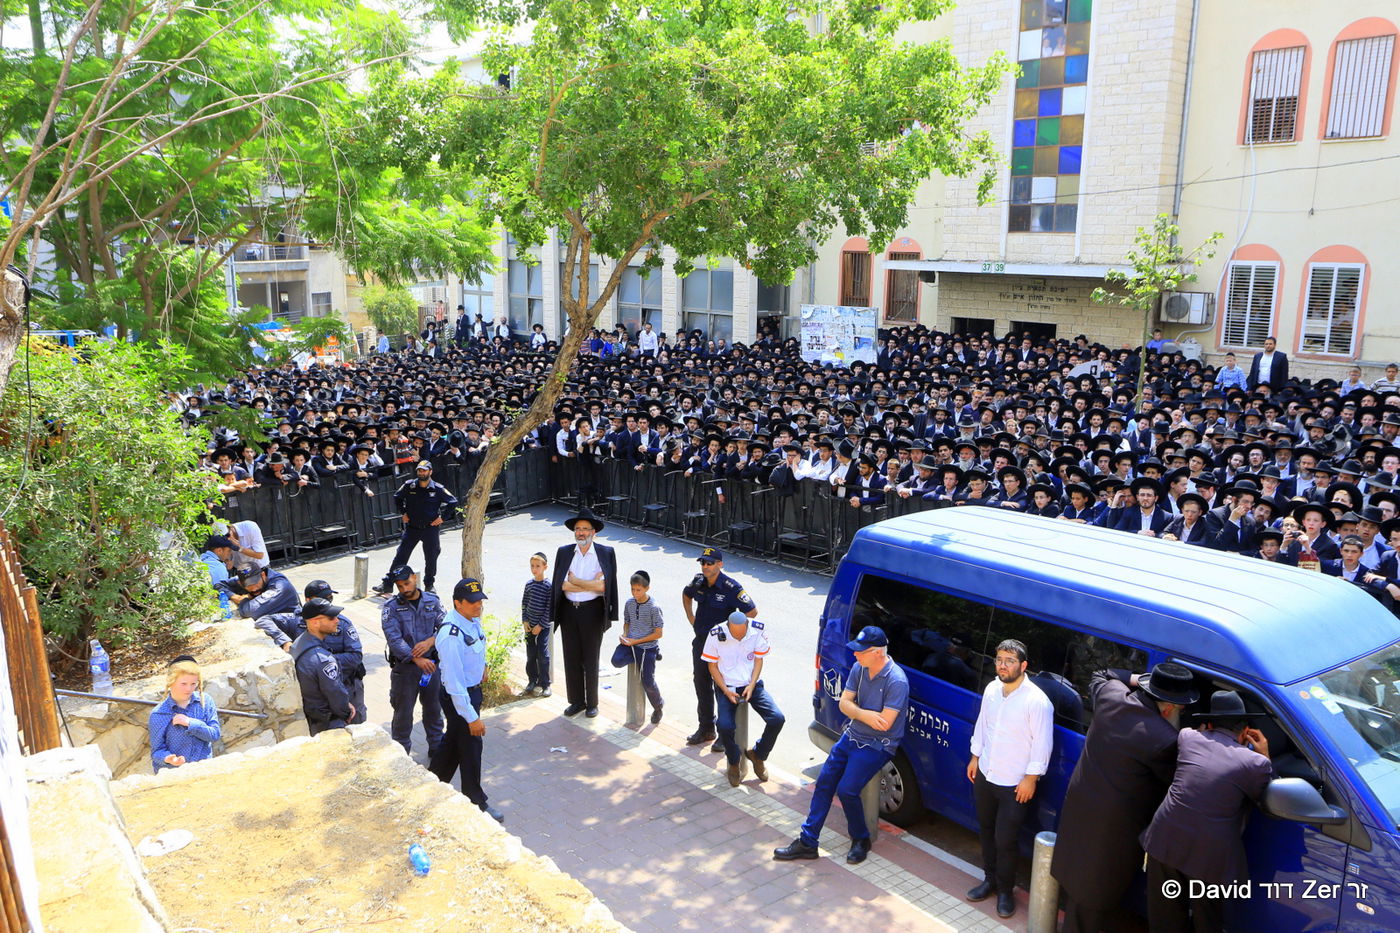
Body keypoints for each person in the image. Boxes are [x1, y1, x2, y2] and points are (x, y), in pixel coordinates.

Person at [1051, 664, 1197, 933]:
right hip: (1111, 834)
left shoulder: (1110, 697)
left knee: (1077, 890)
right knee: (1091, 903)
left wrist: (1137, 679)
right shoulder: (1165, 739)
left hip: (1079, 813)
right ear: (1169, 708)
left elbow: (1102, 673)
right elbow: (1178, 782)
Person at [774, 625, 908, 866]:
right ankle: (807, 841)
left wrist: (856, 711)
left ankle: (861, 839)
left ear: (877, 652)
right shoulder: (859, 668)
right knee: (824, 783)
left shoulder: (896, 681)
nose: (855, 654)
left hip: (878, 745)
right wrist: (865, 715)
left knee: (847, 790)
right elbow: (844, 705)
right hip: (853, 735)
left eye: (861, 650)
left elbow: (885, 724)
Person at [1141, 691, 1273, 933]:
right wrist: (1263, 753)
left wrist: (1205, 733)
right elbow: (1263, 793)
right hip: (1210, 858)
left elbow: (1196, 739)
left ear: (1209, 724)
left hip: (1165, 840)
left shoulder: (1188, 737)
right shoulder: (1256, 763)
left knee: (1165, 919)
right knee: (1207, 921)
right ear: (1245, 732)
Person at [966, 639, 1054, 919]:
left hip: (1015, 784)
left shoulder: (1037, 701)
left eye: (1010, 661)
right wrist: (975, 757)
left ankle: (1005, 891)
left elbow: (1042, 744)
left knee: (1006, 839)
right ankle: (989, 880)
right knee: (986, 830)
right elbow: (983, 725)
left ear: (1023, 665)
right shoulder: (992, 689)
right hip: (985, 774)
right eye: (999, 660)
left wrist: (1031, 778)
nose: (1003, 665)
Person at [429, 578, 505, 823]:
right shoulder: (451, 634)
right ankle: (476, 801)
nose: (477, 606)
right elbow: (453, 682)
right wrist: (471, 717)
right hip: (459, 698)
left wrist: (481, 668)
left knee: (453, 743)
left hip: (471, 691)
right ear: (457, 603)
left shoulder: (470, 622)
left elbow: (476, 648)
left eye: (479, 601)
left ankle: (430, 786)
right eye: (471, 602)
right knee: (472, 746)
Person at [253, 580, 366, 724]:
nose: (327, 602)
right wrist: (285, 641)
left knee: (357, 721)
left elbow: (355, 656)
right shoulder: (297, 620)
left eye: (329, 598)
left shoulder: (341, 623)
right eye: (320, 599)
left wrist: (324, 664)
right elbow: (263, 620)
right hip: (321, 700)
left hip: (346, 685)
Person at [681, 546, 757, 748]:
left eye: (710, 563)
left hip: (723, 648)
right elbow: (686, 594)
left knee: (723, 689)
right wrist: (691, 617)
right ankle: (706, 728)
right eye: (703, 563)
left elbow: (752, 612)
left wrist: (735, 634)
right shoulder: (698, 582)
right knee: (701, 684)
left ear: (720, 564)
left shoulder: (730, 587)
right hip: (701, 643)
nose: (705, 567)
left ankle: (725, 736)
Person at [550, 508, 619, 718]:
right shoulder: (564, 552)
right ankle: (576, 701)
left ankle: (592, 703)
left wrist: (577, 582)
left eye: (585, 529)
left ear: (594, 532)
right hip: (569, 611)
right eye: (578, 529)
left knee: (591, 658)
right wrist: (589, 584)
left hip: (592, 611)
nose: (581, 533)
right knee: (571, 657)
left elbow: (605, 588)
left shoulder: (605, 553)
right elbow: (560, 585)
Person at [702, 610, 783, 787]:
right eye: (733, 632)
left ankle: (758, 755)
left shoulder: (757, 630)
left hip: (751, 684)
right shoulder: (716, 633)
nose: (737, 636)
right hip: (727, 686)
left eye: (741, 633)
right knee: (724, 726)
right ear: (728, 626)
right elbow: (712, 666)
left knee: (777, 718)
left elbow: (759, 660)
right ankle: (733, 762)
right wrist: (725, 690)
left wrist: (752, 685)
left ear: (746, 625)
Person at [380, 565, 446, 756]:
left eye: (407, 584)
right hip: (406, 670)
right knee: (403, 715)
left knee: (434, 711)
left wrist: (430, 641)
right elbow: (393, 638)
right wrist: (416, 658)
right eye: (399, 586)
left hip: (432, 667)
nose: (404, 589)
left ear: (414, 578)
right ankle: (401, 755)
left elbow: (445, 626)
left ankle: (437, 749)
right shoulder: (391, 607)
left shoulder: (432, 601)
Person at [372, 460, 458, 595]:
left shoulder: (438, 488)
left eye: (424, 470)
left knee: (431, 558)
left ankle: (429, 584)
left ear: (430, 472)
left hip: (430, 529)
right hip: (412, 528)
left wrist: (443, 518)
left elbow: (452, 502)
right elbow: (397, 497)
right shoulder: (409, 486)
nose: (421, 473)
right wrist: (403, 512)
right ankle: (387, 584)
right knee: (401, 556)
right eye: (419, 470)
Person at [291, 599, 357, 735]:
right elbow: (335, 693)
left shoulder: (300, 642)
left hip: (311, 717)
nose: (337, 621)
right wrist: (346, 711)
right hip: (327, 722)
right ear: (315, 622)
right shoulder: (323, 660)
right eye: (331, 617)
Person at [148, 657, 221, 772]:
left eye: (193, 684)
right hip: (174, 775)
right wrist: (169, 759)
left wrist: (190, 723)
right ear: (171, 682)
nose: (189, 689)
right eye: (183, 684)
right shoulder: (158, 714)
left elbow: (215, 734)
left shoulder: (205, 701)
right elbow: (156, 752)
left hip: (204, 770)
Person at [618, 570, 665, 723]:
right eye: (632, 589)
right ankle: (636, 657)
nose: (635, 593)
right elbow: (627, 621)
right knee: (616, 661)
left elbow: (658, 633)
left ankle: (658, 706)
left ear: (647, 589)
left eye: (638, 590)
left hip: (647, 648)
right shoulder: (629, 603)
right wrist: (625, 634)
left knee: (647, 682)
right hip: (631, 644)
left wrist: (635, 642)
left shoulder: (654, 607)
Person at [521, 551, 554, 697]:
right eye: (532, 566)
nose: (534, 569)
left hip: (542, 627)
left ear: (545, 567)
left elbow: (549, 608)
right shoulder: (529, 584)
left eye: (538, 566)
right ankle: (532, 680)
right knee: (530, 655)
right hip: (530, 626)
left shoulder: (548, 586)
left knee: (543, 655)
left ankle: (545, 683)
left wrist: (540, 626)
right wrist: (525, 621)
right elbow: (524, 603)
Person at [230, 565, 299, 618]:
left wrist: (244, 600)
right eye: (248, 585)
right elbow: (221, 585)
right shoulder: (240, 579)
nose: (254, 588)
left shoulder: (279, 586)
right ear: (240, 583)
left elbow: (251, 611)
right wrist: (233, 596)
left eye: (255, 582)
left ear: (263, 575)